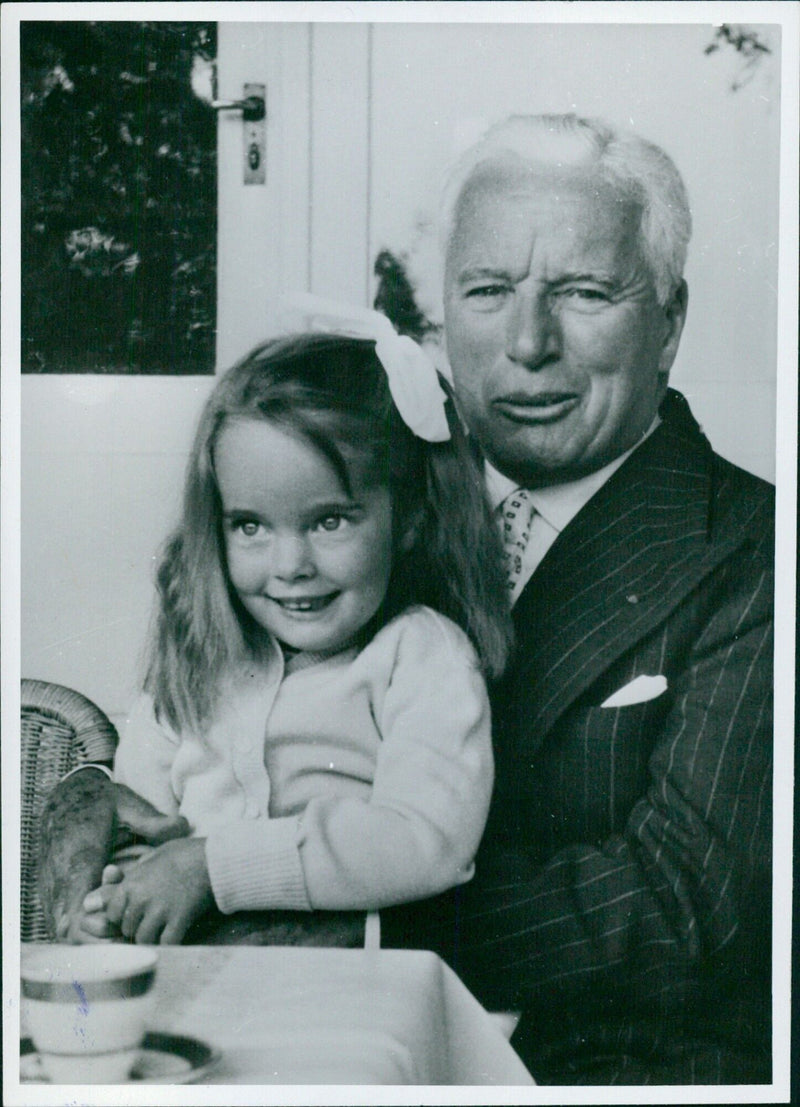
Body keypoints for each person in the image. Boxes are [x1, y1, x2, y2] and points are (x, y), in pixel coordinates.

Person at [420, 112, 772, 1085]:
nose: (527, 344)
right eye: (487, 290)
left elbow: (683, 903)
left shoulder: (759, 555)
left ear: (669, 318)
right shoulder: (365, 516)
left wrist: (333, 909)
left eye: (581, 291)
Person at [38, 323, 513, 947]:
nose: (290, 565)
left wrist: (216, 867)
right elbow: (146, 826)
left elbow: (425, 841)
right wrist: (116, 901)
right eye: (250, 527)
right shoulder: (199, 655)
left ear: (410, 520)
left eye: (329, 520)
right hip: (193, 984)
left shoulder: (420, 655)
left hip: (337, 992)